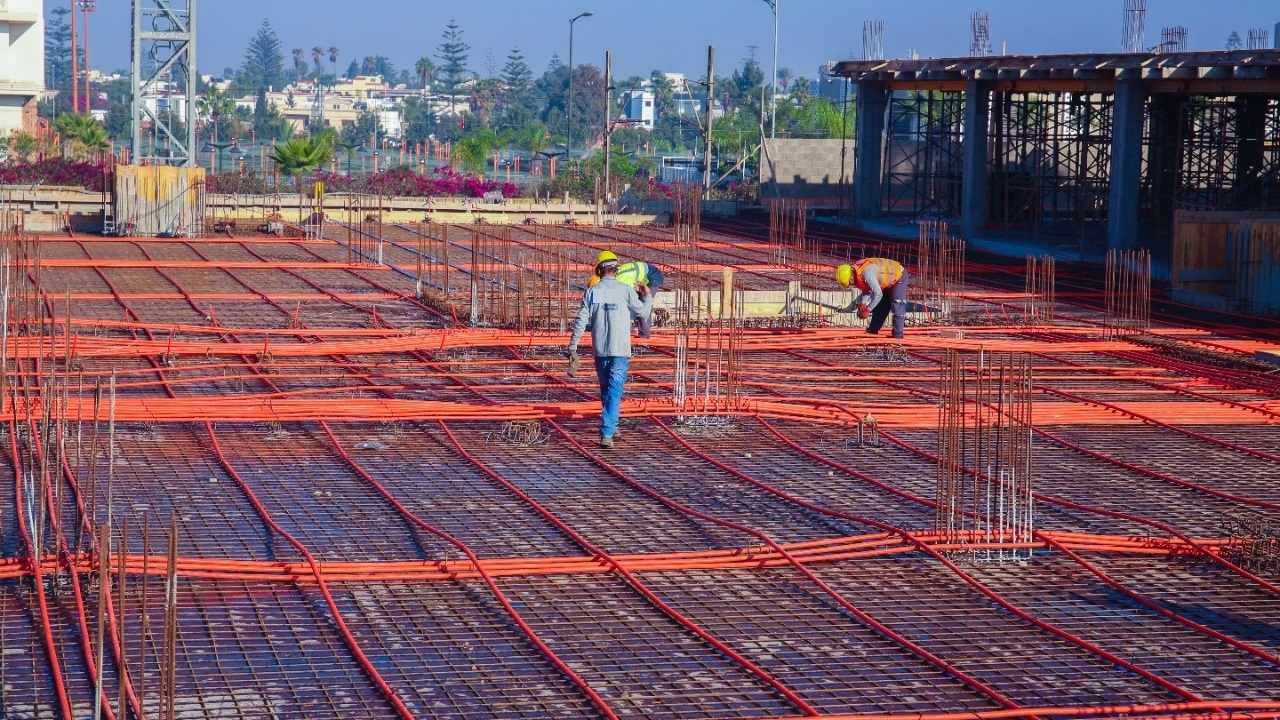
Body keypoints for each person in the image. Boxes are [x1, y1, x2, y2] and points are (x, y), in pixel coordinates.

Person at [568, 251, 654, 448]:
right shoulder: (625, 290)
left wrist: (573, 346)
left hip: (601, 349)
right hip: (620, 349)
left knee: (608, 388)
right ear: (616, 270)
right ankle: (608, 431)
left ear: (598, 271)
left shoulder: (593, 292)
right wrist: (647, 295)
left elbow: (581, 320)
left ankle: (611, 427)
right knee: (613, 390)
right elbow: (643, 312)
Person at [588, 259, 666, 338]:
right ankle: (628, 330)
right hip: (639, 277)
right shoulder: (612, 280)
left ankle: (644, 335)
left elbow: (631, 300)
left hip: (652, 276)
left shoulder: (623, 282)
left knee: (643, 306)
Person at [836, 258, 909, 339]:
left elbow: (878, 294)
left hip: (898, 276)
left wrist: (867, 310)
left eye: (849, 283)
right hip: (887, 279)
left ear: (851, 277)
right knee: (881, 306)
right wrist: (863, 303)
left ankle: (898, 336)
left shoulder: (867, 274)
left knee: (897, 304)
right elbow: (867, 288)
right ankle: (872, 330)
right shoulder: (858, 272)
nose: (850, 285)